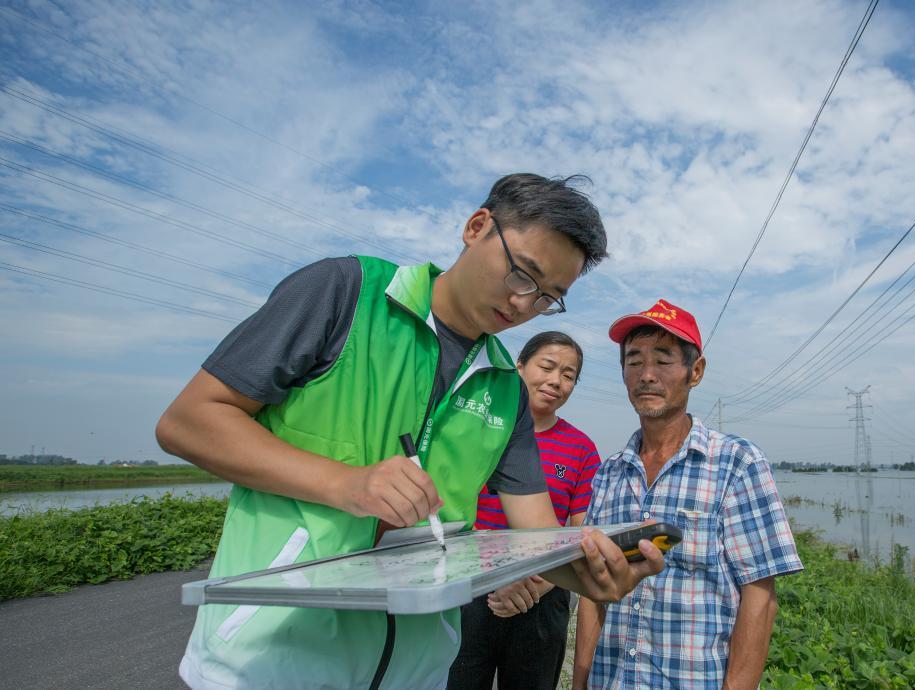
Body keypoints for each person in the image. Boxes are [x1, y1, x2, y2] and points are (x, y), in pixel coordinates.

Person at [155, 174, 665, 690]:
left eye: (547, 297)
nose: (522, 304)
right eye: (521, 275)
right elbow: (189, 422)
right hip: (271, 661)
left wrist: (591, 575)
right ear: (477, 226)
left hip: (415, 672)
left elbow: (534, 532)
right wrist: (345, 484)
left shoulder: (505, 388)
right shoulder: (345, 294)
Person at [572, 299, 803, 689]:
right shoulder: (610, 473)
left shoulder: (736, 463)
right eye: (633, 361)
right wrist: (579, 683)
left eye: (663, 361)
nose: (647, 375)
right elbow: (593, 595)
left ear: (694, 372)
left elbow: (759, 597)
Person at [448, 330, 600, 689]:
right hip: (468, 589)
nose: (556, 381)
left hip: (543, 594)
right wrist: (491, 578)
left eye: (568, 375)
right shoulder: (477, 429)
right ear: (519, 367)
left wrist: (537, 583)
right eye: (547, 366)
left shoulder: (581, 449)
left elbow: (581, 533)